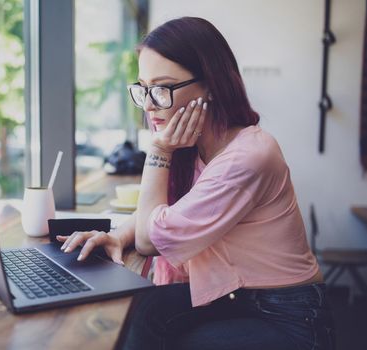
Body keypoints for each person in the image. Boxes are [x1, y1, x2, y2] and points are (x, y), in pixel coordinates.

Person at [57, 17, 335, 350]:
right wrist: (117, 236)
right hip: (238, 296)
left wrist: (158, 150)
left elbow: (149, 240)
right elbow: (165, 215)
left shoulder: (247, 157)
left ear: (211, 86)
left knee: (159, 333)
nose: (148, 104)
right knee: (142, 311)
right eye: (143, 88)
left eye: (161, 88)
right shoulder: (200, 146)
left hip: (289, 317)